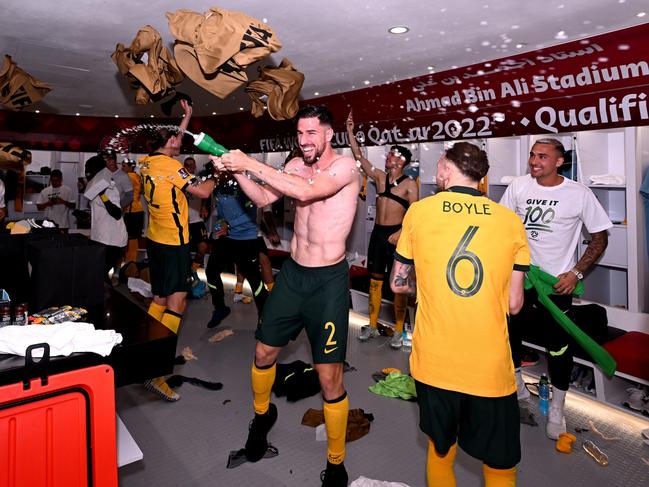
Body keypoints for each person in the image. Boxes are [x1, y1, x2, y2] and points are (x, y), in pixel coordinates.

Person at [212, 105, 359, 487]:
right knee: (263, 352)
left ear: (329, 135)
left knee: (330, 379)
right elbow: (263, 199)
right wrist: (239, 171)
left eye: (312, 133)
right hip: (293, 275)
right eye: (300, 133)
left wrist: (249, 162)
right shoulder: (294, 164)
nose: (305, 140)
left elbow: (310, 192)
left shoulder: (344, 168)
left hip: (328, 282)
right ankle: (262, 417)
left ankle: (337, 462)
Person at [390, 142, 529, 487]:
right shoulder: (510, 221)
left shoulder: (419, 212)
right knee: (500, 462)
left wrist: (423, 290)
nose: (435, 173)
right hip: (490, 368)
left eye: (438, 166)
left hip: (435, 363)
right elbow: (514, 305)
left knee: (440, 448)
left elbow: (397, 283)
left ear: (448, 170)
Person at [500, 137, 611, 439]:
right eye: (532, 156)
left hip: (555, 283)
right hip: (519, 277)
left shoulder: (578, 193)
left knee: (558, 346)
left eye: (543, 157)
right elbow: (502, 229)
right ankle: (518, 383)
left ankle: (559, 406)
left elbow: (600, 237)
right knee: (508, 334)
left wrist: (576, 272)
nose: (535, 162)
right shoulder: (519, 187)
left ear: (559, 161)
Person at [139, 99, 215, 401]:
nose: (181, 140)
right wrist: (217, 171)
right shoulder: (172, 167)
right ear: (171, 143)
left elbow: (171, 142)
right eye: (178, 137)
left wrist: (186, 118)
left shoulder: (148, 162)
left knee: (158, 297)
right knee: (177, 302)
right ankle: (157, 373)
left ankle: (145, 353)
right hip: (174, 243)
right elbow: (204, 191)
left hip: (155, 239)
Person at [346, 109, 419, 349]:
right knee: (374, 280)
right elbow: (358, 157)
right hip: (378, 235)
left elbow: (415, 214)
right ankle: (373, 325)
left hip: (396, 236)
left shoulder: (409, 184)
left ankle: (399, 331)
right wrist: (350, 131)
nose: (388, 157)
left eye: (392, 155)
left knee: (397, 283)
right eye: (388, 154)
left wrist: (400, 234)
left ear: (402, 161)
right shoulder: (379, 177)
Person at [204, 174, 269, 327]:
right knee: (211, 272)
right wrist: (218, 228)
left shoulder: (245, 184)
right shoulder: (218, 185)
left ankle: (264, 318)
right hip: (226, 238)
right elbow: (221, 214)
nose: (217, 169)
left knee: (254, 280)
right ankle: (220, 308)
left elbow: (251, 214)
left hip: (246, 239)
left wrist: (229, 223)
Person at [84, 156, 127, 281]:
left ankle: (105, 298)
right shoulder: (94, 187)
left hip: (112, 240)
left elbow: (117, 213)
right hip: (101, 237)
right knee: (98, 275)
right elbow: (100, 212)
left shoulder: (109, 188)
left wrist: (103, 195)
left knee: (101, 275)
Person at [183, 156, 210, 269]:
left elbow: (206, 195)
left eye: (192, 164)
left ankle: (193, 270)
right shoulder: (180, 181)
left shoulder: (199, 181)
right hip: (183, 221)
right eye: (187, 165)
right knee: (183, 250)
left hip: (197, 220)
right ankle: (184, 272)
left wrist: (204, 206)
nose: (190, 167)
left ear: (195, 166)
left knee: (203, 247)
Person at [121, 159, 144, 262]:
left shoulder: (129, 176)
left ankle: (130, 263)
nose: (122, 168)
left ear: (131, 167)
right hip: (137, 210)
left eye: (124, 166)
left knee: (130, 238)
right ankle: (131, 262)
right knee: (133, 238)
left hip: (132, 211)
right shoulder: (137, 176)